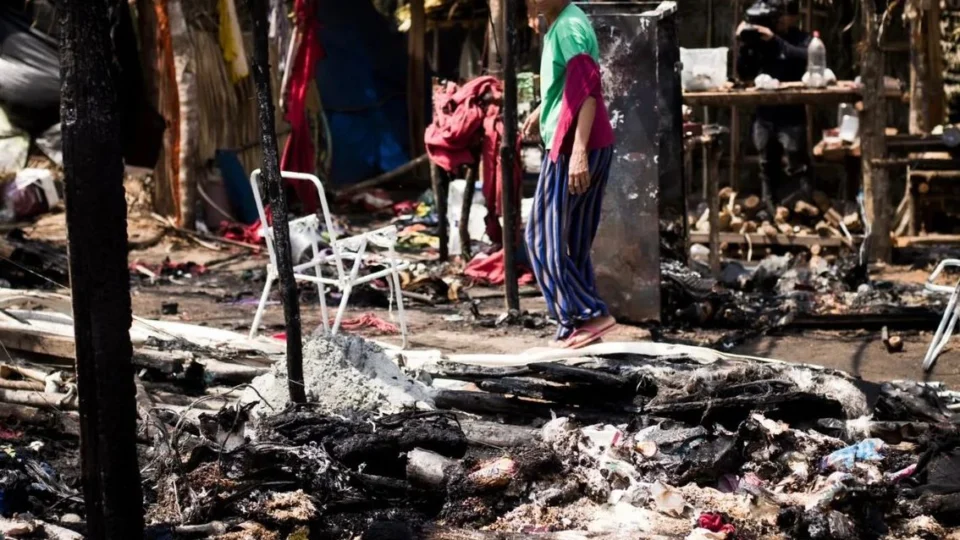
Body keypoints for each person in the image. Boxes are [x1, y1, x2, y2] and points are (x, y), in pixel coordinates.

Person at [521, 0, 616, 349]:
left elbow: (589, 92)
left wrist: (577, 153)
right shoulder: (562, 21)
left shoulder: (567, 27)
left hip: (575, 146)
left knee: (540, 237)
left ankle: (586, 314)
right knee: (573, 240)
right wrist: (541, 110)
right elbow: (570, 87)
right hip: (588, 143)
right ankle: (582, 324)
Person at [735, 0, 812, 212]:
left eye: (781, 17)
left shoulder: (801, 38)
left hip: (791, 111)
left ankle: (804, 211)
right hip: (764, 112)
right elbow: (744, 73)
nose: (778, 22)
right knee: (766, 164)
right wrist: (744, 45)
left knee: (796, 160)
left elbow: (805, 59)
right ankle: (771, 211)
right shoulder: (757, 42)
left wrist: (774, 40)